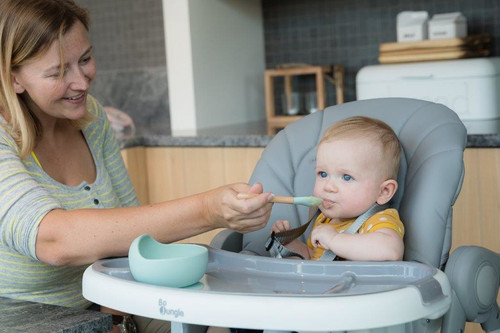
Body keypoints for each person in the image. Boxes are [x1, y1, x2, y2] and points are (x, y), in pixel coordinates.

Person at [0, 0, 273, 332]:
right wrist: (209, 210)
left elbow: (134, 235)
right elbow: (54, 240)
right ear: (14, 78)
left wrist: (119, 314)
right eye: (58, 72)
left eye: (85, 59)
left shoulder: (90, 119)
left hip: (104, 303)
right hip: (27, 318)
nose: (82, 82)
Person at [270, 116, 405, 261]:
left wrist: (334, 240)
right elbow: (315, 259)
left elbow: (390, 250)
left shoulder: (378, 220)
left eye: (346, 177)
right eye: (323, 174)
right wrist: (288, 243)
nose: (328, 186)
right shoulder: (325, 220)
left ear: (384, 191)